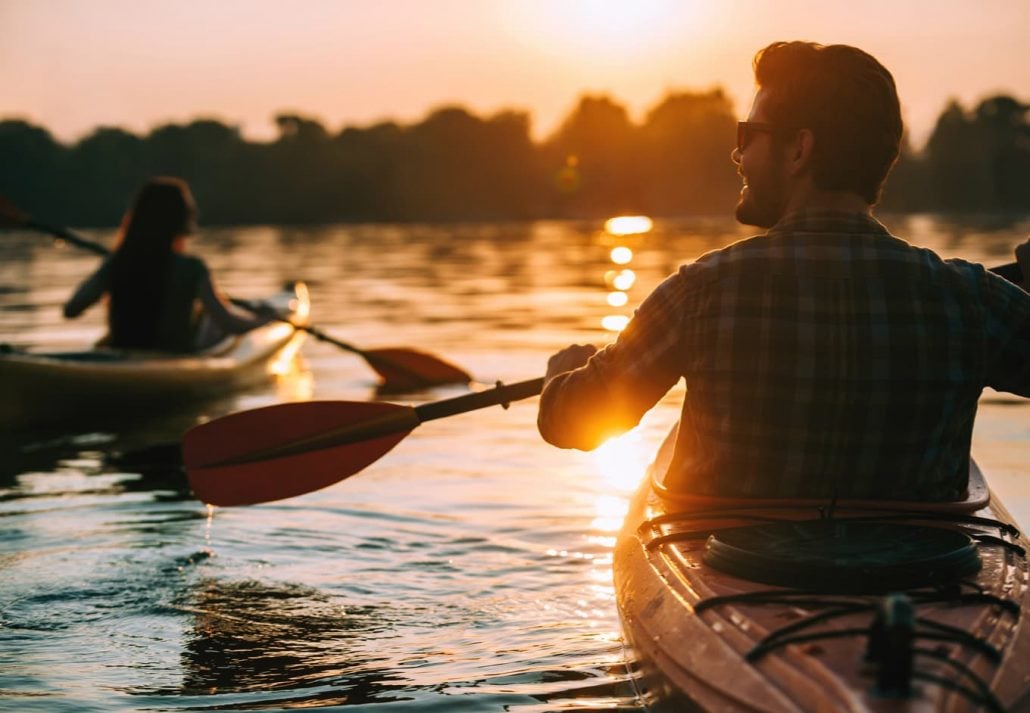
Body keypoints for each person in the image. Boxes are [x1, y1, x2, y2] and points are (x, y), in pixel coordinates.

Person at [537, 41, 1030, 502]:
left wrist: (562, 376)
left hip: (736, 570)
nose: (738, 154)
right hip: (924, 573)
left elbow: (573, 423)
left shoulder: (700, 293)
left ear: (799, 149)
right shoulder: (970, 299)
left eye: (748, 135)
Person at [64, 177, 274, 353]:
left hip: (122, 354)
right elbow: (229, 324)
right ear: (180, 218)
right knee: (210, 322)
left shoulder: (117, 263)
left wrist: (111, 266)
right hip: (173, 358)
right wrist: (266, 321)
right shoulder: (193, 269)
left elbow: (72, 309)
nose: (194, 213)